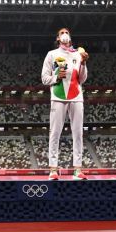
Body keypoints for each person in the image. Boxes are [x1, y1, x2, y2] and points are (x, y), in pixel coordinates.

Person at [41, 28, 89, 180]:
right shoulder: (52, 54)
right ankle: (53, 170)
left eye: (66, 32)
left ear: (70, 37)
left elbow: (82, 79)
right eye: (61, 33)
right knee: (55, 132)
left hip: (76, 97)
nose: (64, 34)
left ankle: (77, 169)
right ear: (58, 38)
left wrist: (84, 63)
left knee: (78, 133)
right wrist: (56, 77)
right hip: (58, 97)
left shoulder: (78, 54)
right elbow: (44, 78)